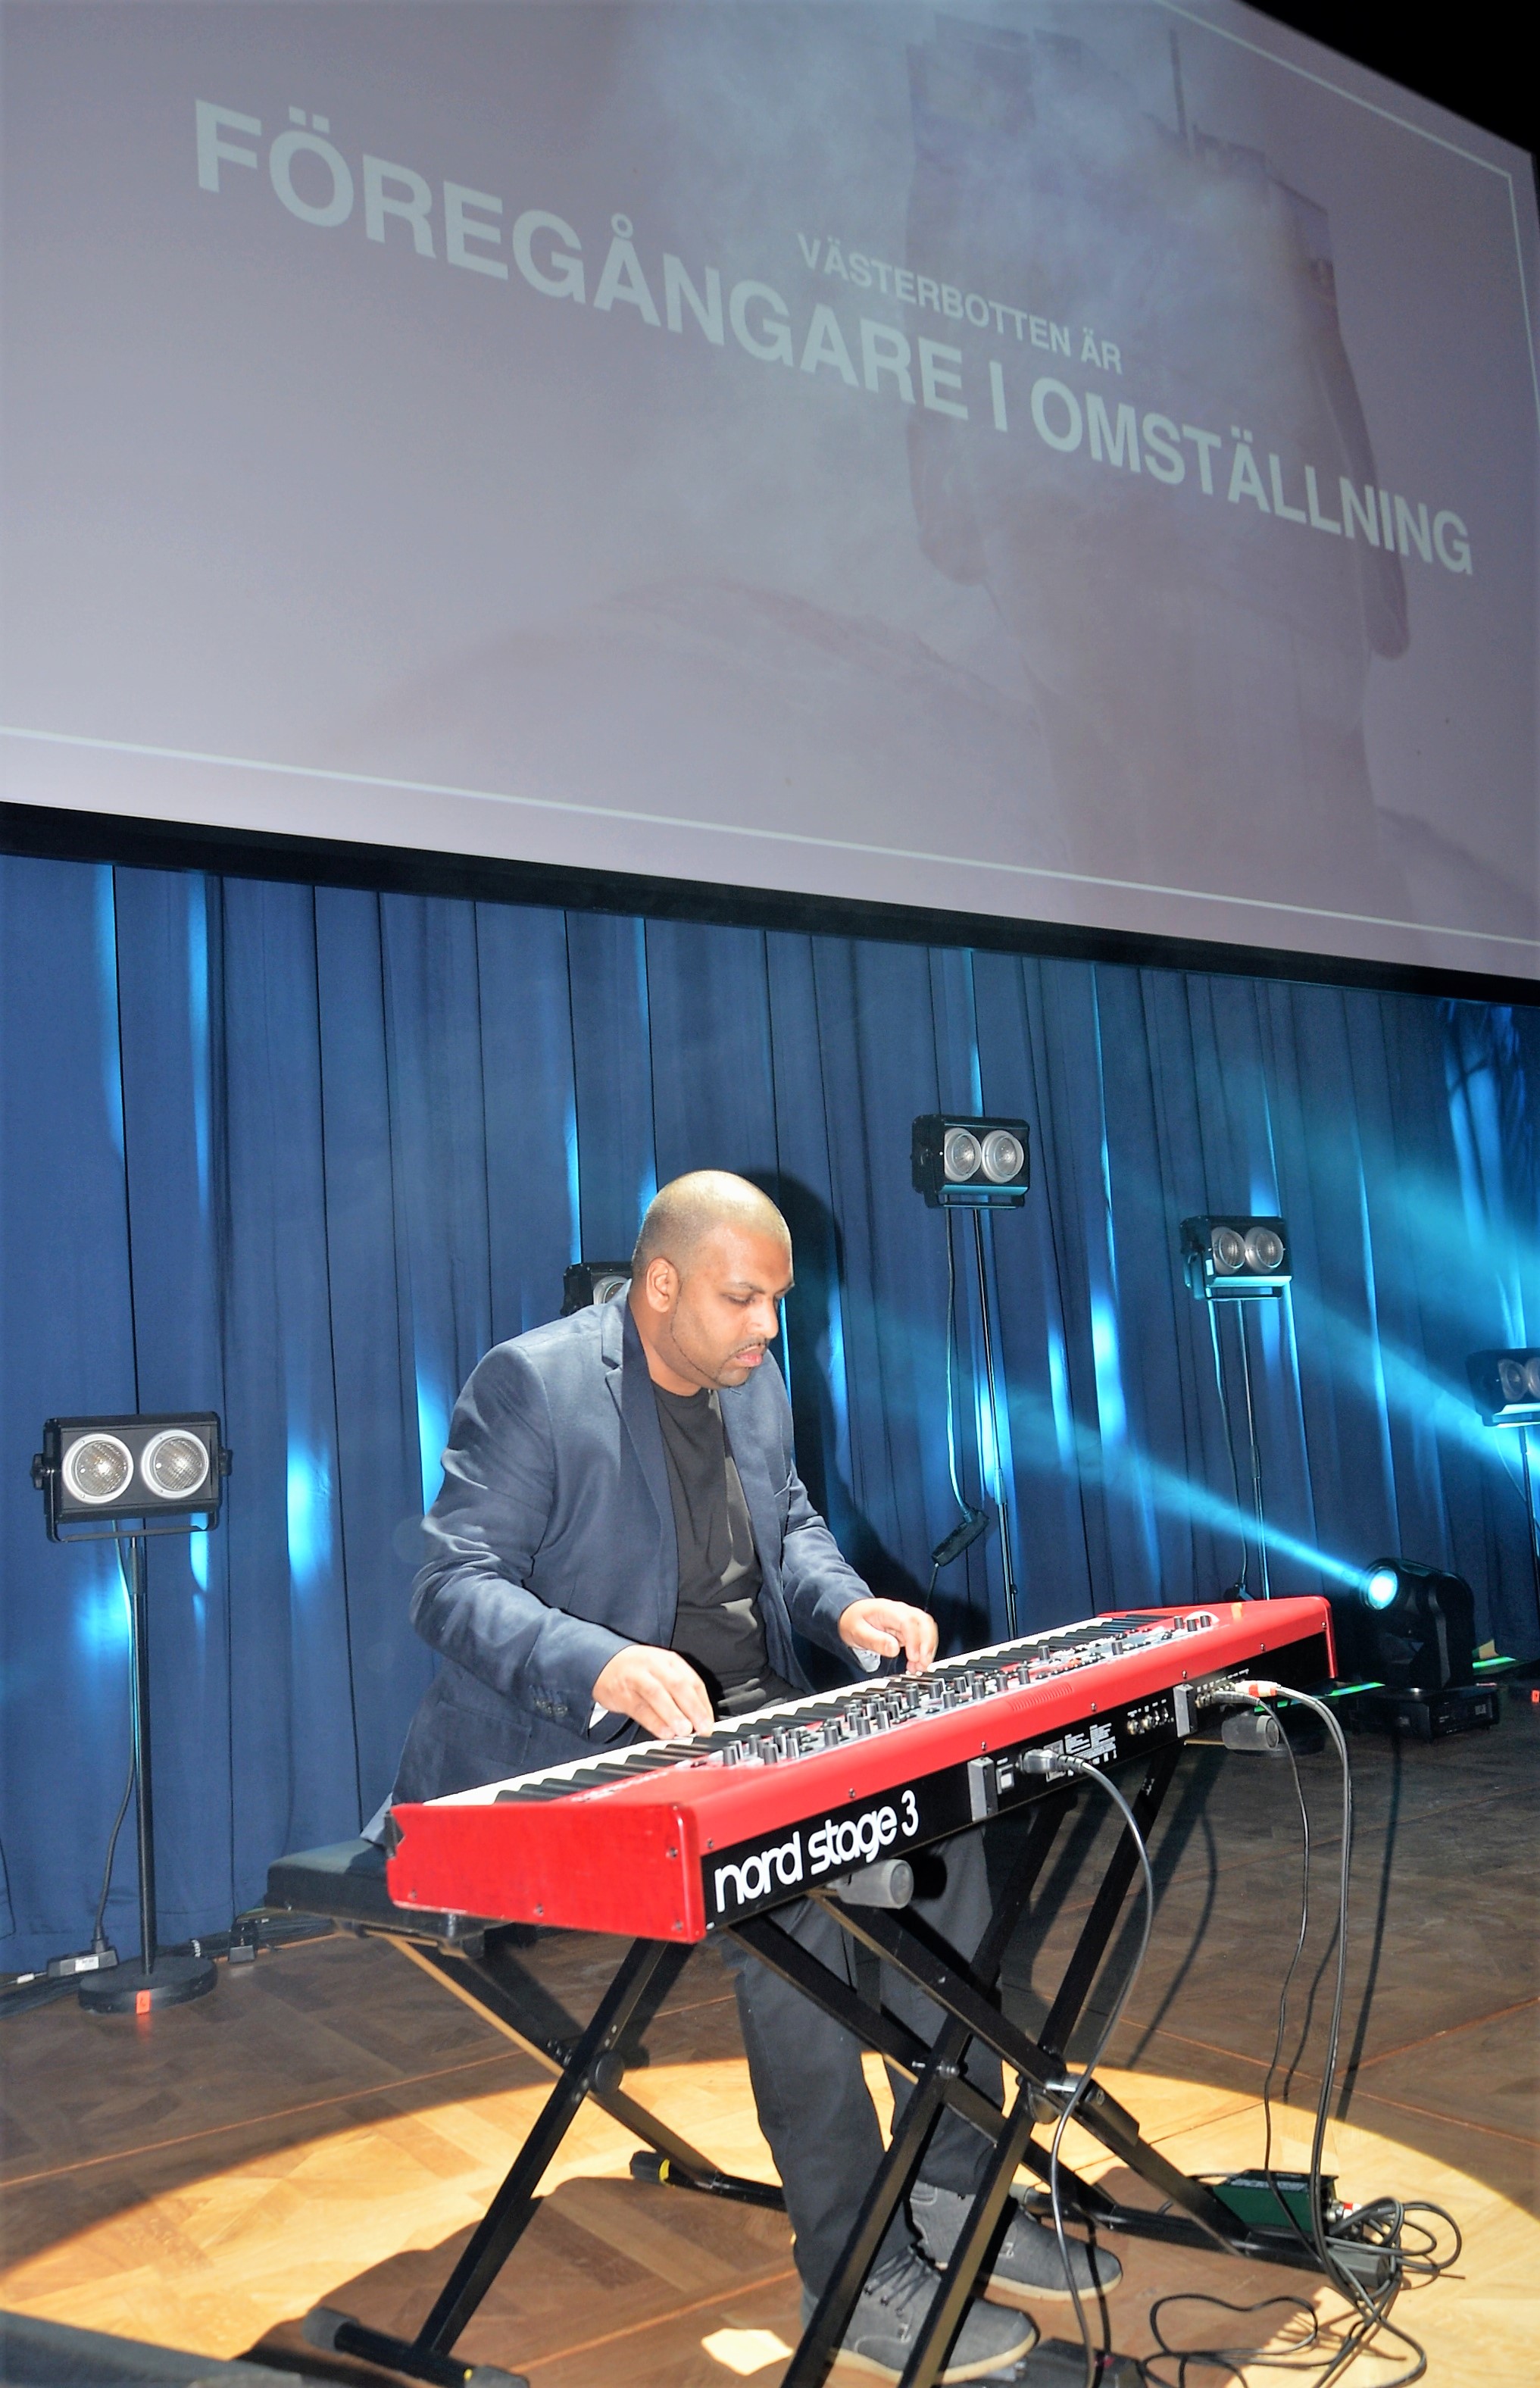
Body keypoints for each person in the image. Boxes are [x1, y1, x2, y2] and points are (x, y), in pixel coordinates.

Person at [392, 1171, 1115, 2380]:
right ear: (658, 1284)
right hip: (592, 1749)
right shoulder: (534, 1383)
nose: (766, 1329)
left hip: (752, 1721)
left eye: (776, 1302)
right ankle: (856, 2272)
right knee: (801, 1912)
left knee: (945, 1855)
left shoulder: (750, 1379)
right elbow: (451, 1586)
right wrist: (603, 1662)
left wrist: (847, 1607)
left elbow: (787, 1530)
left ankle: (951, 2193)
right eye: (742, 1300)